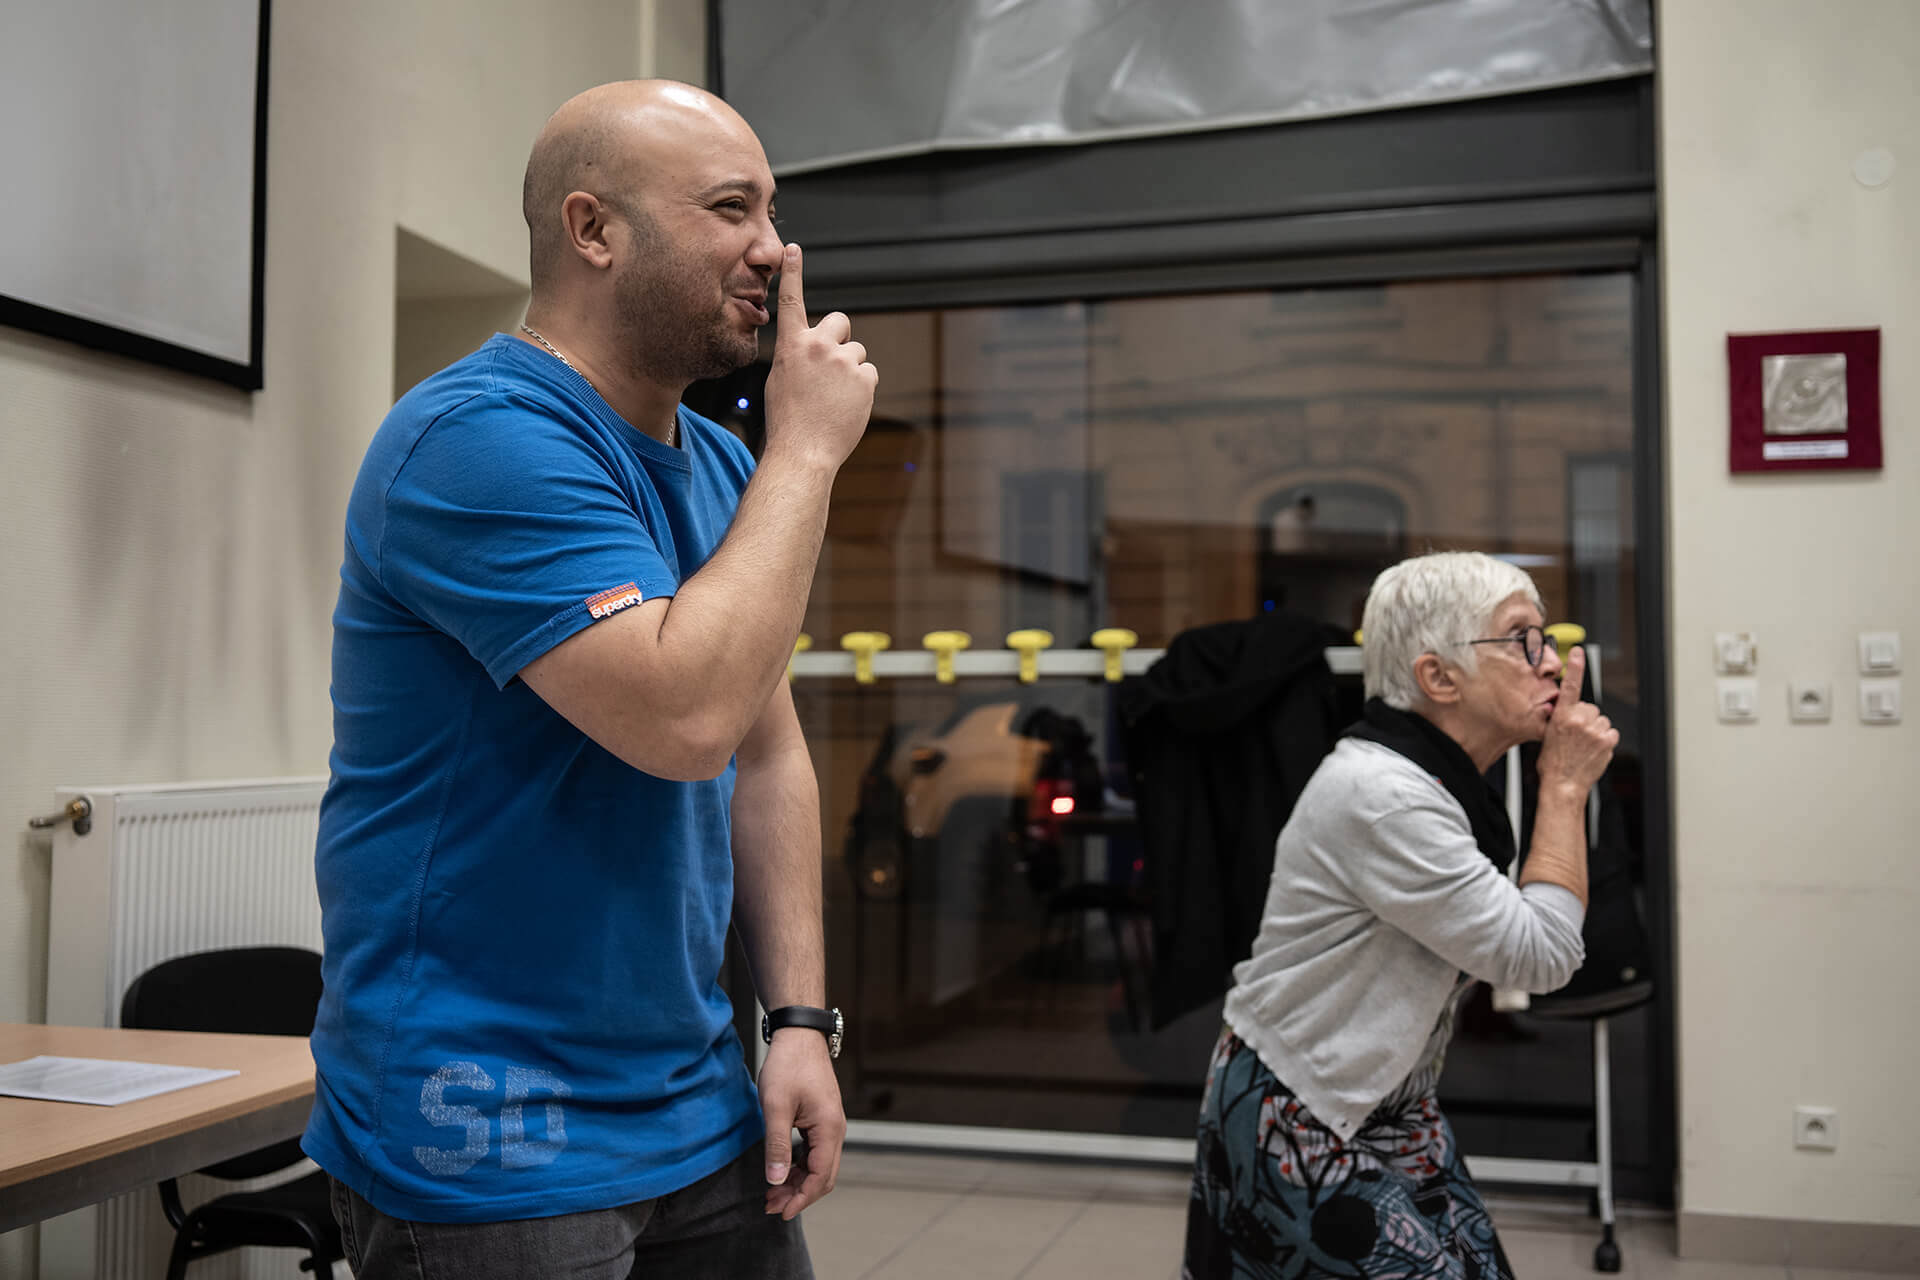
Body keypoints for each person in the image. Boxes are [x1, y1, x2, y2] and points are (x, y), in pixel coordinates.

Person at [303, 80, 875, 1279]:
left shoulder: (722, 462)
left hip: (693, 1100)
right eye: (732, 208)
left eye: (772, 208)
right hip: (492, 1129)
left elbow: (765, 750)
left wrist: (802, 1023)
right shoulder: (474, 437)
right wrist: (809, 451)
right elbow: (686, 718)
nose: (774, 247)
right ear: (594, 230)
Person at [1183, 551, 1618, 1279]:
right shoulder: (1382, 795)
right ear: (1438, 678)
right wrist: (1565, 788)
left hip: (1391, 1104)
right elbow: (1538, 956)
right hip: (1302, 1104)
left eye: (1546, 639)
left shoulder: (1437, 780)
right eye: (1521, 640)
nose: (1550, 663)